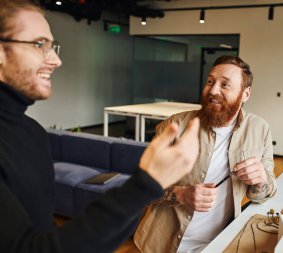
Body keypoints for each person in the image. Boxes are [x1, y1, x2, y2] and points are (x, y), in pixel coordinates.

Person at [0, 0, 200, 252]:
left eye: (53, 47)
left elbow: (41, 231)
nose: (56, 60)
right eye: (39, 45)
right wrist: (147, 182)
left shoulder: (32, 132)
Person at [133, 55, 277, 253]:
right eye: (210, 81)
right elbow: (140, 190)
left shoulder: (260, 130)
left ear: (245, 94)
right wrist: (181, 195)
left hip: (220, 244)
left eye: (225, 84)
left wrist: (260, 181)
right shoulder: (174, 126)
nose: (213, 90)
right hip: (161, 244)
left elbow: (266, 191)